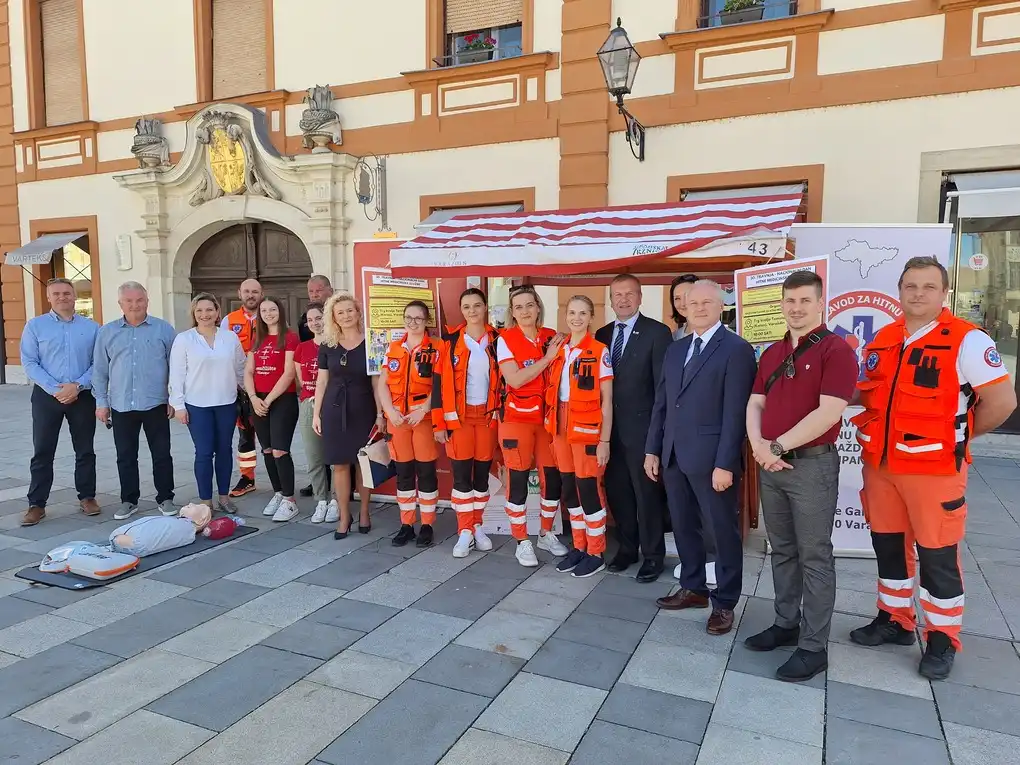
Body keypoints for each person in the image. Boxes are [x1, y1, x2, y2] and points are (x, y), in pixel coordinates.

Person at [848, 256, 1017, 680]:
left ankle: (942, 637)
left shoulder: (968, 341)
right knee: (889, 548)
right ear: (900, 291)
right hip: (881, 467)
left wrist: (960, 438)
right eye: (911, 286)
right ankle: (895, 619)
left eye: (928, 286)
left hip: (935, 471)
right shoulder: (884, 338)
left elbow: (1002, 403)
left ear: (944, 293)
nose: (918, 294)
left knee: (938, 556)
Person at [744, 271, 858, 682]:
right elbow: (756, 403)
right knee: (783, 550)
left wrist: (775, 447)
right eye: (790, 301)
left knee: (814, 556)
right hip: (771, 465)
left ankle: (814, 647)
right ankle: (785, 622)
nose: (796, 308)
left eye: (805, 301)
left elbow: (829, 412)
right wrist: (758, 445)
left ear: (821, 303)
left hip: (811, 466)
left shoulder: (836, 351)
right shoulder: (773, 352)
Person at [646, 280, 757, 635]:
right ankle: (693, 587)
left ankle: (724, 602)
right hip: (674, 455)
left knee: (721, 532)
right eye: (693, 303)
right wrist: (653, 449)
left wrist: (726, 463)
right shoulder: (676, 350)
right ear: (684, 308)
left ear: (722, 306)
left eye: (707, 302)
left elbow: (735, 413)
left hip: (713, 462)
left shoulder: (736, 350)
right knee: (683, 524)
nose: (699, 308)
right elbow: (662, 403)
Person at [595, 274, 672, 582]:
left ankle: (653, 556)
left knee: (646, 495)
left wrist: (656, 440)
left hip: (642, 432)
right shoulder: (601, 334)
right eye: (617, 295)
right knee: (618, 493)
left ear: (640, 297)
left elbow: (662, 390)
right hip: (607, 433)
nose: (623, 299)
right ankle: (627, 549)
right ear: (611, 299)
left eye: (629, 294)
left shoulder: (657, 332)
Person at [495, 285, 569, 567]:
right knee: (518, 482)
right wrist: (547, 358)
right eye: (519, 307)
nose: (525, 311)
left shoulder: (552, 336)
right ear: (513, 314)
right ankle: (521, 540)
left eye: (530, 305)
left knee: (552, 479)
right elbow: (514, 379)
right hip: (516, 421)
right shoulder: (506, 340)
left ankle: (546, 533)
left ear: (538, 307)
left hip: (548, 421)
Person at [93, 282, 178, 521]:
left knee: (162, 453)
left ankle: (166, 497)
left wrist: (174, 397)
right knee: (126, 456)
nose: (135, 305)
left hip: (156, 403)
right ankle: (129, 500)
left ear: (147, 301)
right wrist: (102, 402)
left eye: (139, 300)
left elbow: (176, 367)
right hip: (121, 404)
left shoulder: (163, 329)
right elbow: (100, 370)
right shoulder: (107, 332)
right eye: (129, 301)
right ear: (120, 303)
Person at [20, 278, 101, 527]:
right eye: (56, 293)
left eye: (67, 293)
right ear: (48, 298)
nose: (62, 297)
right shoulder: (35, 326)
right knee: (43, 451)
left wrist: (76, 386)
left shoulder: (92, 327)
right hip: (47, 396)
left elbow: (98, 363)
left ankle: (87, 497)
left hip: (82, 395)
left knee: (85, 450)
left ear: (75, 296)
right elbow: (30, 362)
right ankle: (37, 504)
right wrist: (57, 389)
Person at [545, 296, 614, 578]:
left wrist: (605, 440)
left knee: (588, 489)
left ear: (591, 317)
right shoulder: (559, 349)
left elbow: (607, 401)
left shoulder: (599, 350)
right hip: (560, 427)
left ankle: (595, 551)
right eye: (572, 312)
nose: (576, 318)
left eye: (583, 313)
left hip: (587, 429)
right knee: (570, 489)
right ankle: (579, 545)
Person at [434, 288, 499, 558]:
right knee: (461, 477)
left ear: (485, 307)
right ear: (461, 310)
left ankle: (478, 526)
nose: (472, 311)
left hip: (487, 418)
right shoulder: (449, 341)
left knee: (481, 476)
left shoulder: (498, 340)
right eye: (467, 306)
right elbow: (437, 384)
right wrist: (439, 424)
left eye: (477, 305)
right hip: (458, 420)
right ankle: (464, 530)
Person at [169, 293, 246, 513]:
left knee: (224, 450)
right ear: (194, 313)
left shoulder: (230, 337)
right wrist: (179, 406)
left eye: (209, 310)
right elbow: (177, 374)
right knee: (204, 452)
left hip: (226, 403)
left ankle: (223, 496)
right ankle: (205, 500)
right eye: (200, 310)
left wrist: (252, 393)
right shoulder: (184, 339)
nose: (205, 314)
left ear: (217, 312)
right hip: (197, 405)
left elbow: (241, 368)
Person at [377, 300, 444, 547]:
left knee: (426, 472)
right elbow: (382, 383)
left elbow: (441, 384)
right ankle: (406, 524)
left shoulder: (437, 347)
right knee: (404, 474)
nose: (412, 322)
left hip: (423, 419)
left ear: (426, 321)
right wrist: (388, 411)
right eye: (408, 317)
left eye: (417, 318)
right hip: (398, 419)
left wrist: (425, 408)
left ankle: (427, 524)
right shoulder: (394, 347)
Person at [313, 292, 378, 539]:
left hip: (363, 408)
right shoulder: (327, 345)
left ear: (358, 312)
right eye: (340, 312)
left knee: (363, 463)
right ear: (334, 317)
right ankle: (343, 515)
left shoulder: (372, 342)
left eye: (350, 310)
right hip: (334, 409)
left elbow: (376, 383)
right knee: (339, 465)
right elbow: (321, 381)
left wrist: (381, 414)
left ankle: (363, 511)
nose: (346, 315)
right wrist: (316, 414)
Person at [245, 297, 301, 522]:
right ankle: (278, 493)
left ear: (281, 311)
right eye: (264, 310)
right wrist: (252, 398)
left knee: (280, 450)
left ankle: (290, 500)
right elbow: (249, 371)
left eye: (272, 309)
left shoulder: (289, 337)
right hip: (257, 400)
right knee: (267, 449)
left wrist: (267, 401)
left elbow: (289, 374)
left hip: (281, 400)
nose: (268, 313)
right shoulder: (257, 338)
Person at [222, 278, 263, 497]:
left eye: (255, 292)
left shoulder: (270, 316)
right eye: (247, 291)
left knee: (270, 436)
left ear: (261, 294)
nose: (250, 295)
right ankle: (247, 477)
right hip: (239, 388)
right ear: (239, 293)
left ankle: (279, 481)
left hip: (266, 386)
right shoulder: (229, 321)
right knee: (245, 434)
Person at [295, 302, 332, 524]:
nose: (315, 323)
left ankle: (337, 499)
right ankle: (321, 500)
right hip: (309, 404)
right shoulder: (302, 348)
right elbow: (302, 382)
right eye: (310, 320)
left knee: (337, 457)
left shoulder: (335, 345)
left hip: (333, 404)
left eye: (318, 318)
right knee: (314, 457)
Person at [299, 275, 334, 497]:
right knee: (315, 451)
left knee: (337, 451)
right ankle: (321, 490)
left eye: (318, 290)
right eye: (311, 291)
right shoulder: (306, 326)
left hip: (335, 397)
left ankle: (342, 491)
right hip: (310, 397)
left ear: (329, 290)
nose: (314, 295)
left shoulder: (339, 319)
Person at [668, 273, 698, 340]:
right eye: (677, 298)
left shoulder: (724, 335)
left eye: (687, 296)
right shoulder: (674, 337)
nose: (683, 304)